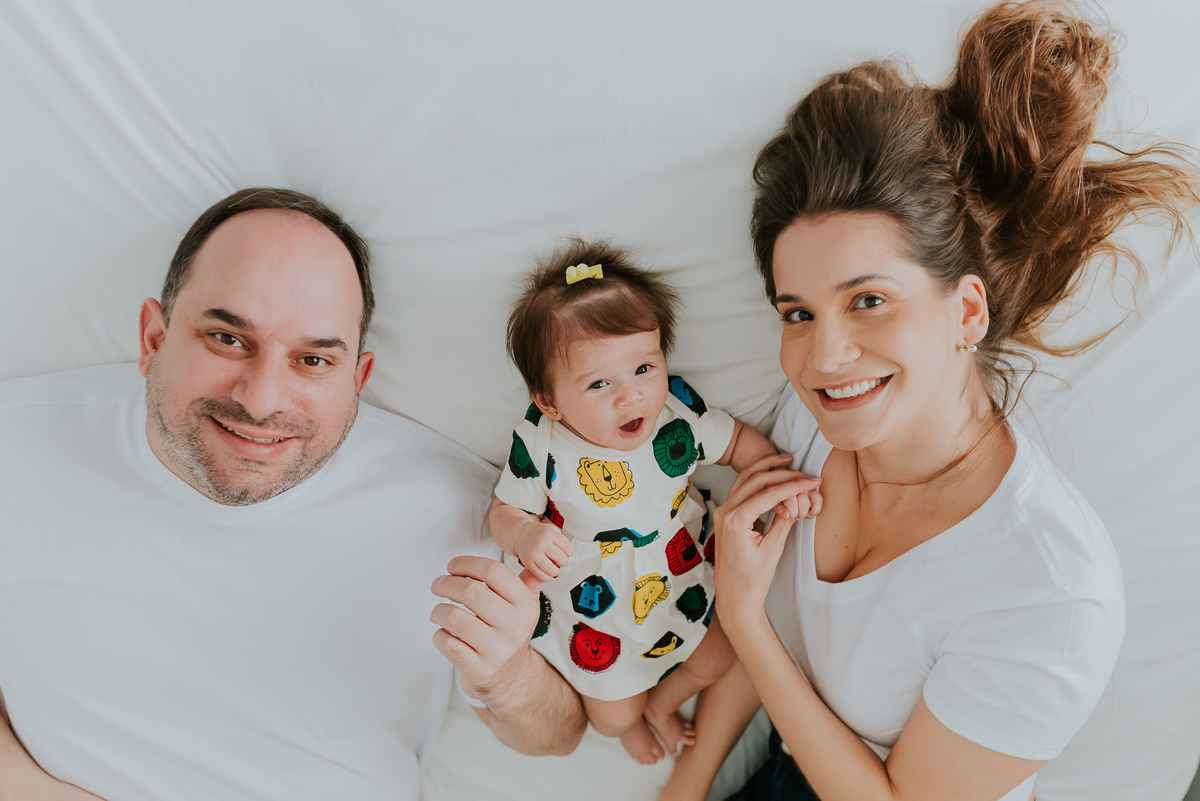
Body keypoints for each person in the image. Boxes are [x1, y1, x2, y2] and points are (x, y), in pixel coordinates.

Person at [661, 2, 1199, 800]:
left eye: (869, 300)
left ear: (967, 312)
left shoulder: (1050, 592)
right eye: (798, 313)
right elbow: (777, 626)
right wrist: (687, 783)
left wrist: (742, 616)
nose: (823, 358)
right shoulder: (814, 422)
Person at [0, 187, 585, 801]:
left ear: (357, 379)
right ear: (153, 338)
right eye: (228, 339)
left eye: (312, 360)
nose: (260, 400)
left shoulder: (462, 506)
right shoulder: (16, 445)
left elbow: (558, 734)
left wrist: (508, 676)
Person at [488, 239, 819, 764]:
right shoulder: (542, 442)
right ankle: (631, 722)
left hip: (678, 570)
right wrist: (526, 534)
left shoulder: (675, 415)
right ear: (550, 401)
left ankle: (663, 705)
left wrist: (773, 479)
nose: (631, 395)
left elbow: (735, 443)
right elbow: (504, 511)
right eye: (599, 383)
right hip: (593, 605)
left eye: (644, 368)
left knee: (721, 651)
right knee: (612, 717)